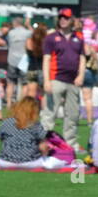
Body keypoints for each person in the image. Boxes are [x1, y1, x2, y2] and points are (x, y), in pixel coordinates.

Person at [41, 8, 85, 147]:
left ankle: (71, 143)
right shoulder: (51, 37)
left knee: (72, 114)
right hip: (56, 78)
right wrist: (47, 80)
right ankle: (45, 143)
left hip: (73, 81)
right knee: (49, 114)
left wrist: (81, 75)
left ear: (72, 20)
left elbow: (82, 58)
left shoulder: (79, 37)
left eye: (66, 18)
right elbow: (46, 59)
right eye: (61, 17)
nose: (63, 20)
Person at [0, 97, 68, 169]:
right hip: (29, 162)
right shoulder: (35, 124)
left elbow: (2, 139)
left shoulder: (6, 122)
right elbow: (43, 147)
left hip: (5, 162)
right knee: (57, 162)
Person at [4, 16, 32, 108]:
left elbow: (7, 43)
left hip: (11, 60)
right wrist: (28, 25)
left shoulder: (10, 33)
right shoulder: (27, 33)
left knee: (10, 83)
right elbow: (34, 35)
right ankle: (21, 104)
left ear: (15, 23)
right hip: (24, 60)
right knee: (24, 83)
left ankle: (8, 103)